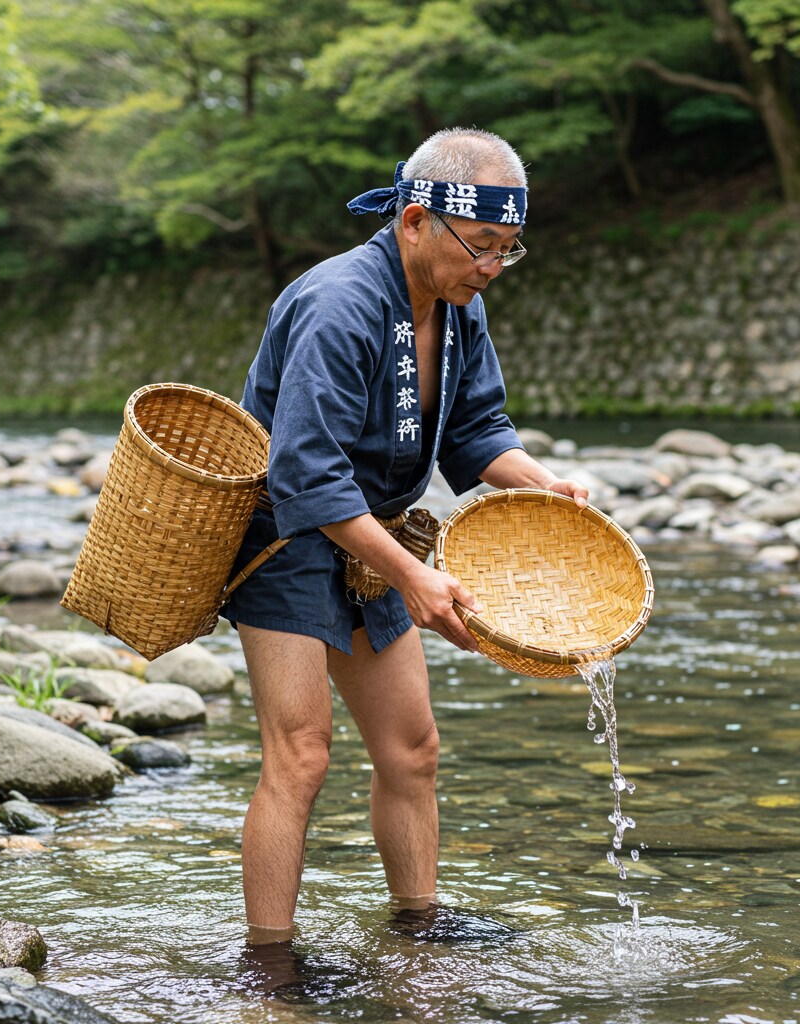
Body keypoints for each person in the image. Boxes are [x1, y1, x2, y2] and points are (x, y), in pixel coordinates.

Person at [225, 127, 589, 950]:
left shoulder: (459, 304)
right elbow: (306, 476)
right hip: (287, 540)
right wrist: (415, 578)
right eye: (483, 246)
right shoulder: (338, 303)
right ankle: (269, 965)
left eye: (508, 249)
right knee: (302, 755)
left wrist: (546, 486)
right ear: (416, 220)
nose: (493, 266)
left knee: (413, 749)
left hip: (377, 536)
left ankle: (417, 935)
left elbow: (477, 430)